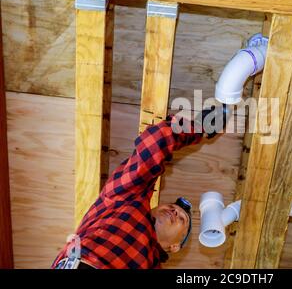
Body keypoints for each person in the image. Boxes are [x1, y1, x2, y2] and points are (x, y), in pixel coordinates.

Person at [52, 107, 226, 269]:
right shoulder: (127, 199)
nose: (174, 211)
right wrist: (199, 128)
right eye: (172, 207)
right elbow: (155, 142)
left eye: (181, 219)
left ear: (174, 247)